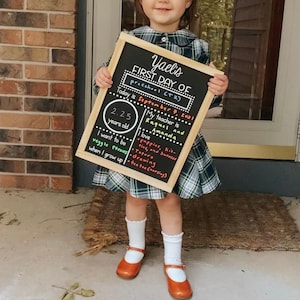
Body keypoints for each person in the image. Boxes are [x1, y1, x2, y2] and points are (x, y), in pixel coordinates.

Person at [93, 0, 228, 298]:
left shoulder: (197, 47)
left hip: (171, 140)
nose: (163, 0)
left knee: (168, 199)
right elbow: (108, 84)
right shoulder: (130, 41)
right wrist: (101, 77)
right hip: (136, 140)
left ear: (188, 2)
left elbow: (205, 99)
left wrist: (218, 89)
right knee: (134, 196)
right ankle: (135, 247)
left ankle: (173, 261)